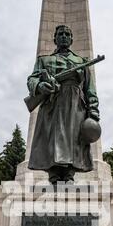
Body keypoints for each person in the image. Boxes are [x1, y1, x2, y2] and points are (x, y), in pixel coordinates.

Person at [27, 25, 100, 185]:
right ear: (55, 39)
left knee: (74, 140)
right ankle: (53, 175)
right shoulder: (44, 60)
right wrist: (40, 86)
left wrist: (93, 110)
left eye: (67, 34)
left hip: (76, 107)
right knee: (51, 138)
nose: (64, 36)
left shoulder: (82, 62)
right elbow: (32, 79)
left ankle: (69, 175)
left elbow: (90, 89)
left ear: (72, 39)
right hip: (52, 105)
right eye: (61, 34)